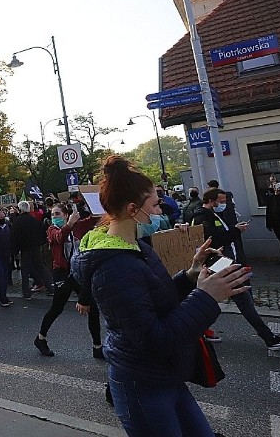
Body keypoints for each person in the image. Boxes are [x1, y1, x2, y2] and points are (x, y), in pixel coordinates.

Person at [72, 156, 251, 437]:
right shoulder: (114, 265)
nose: (161, 210)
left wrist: (190, 276)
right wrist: (206, 296)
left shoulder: (134, 247)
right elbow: (154, 338)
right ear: (133, 210)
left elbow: (156, 297)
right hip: (143, 382)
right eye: (155, 204)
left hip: (165, 375)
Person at [192, 188, 280, 351]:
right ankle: (270, 339)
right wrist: (236, 231)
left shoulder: (212, 215)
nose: (223, 204)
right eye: (221, 201)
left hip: (223, 263)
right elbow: (212, 241)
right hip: (218, 264)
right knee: (243, 301)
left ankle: (198, 331)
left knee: (214, 301)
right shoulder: (202, 217)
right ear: (211, 201)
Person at [34, 203, 101, 358]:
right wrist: (69, 224)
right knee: (57, 307)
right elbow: (59, 238)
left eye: (57, 214)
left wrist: (96, 204)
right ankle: (41, 338)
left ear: (66, 214)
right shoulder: (52, 230)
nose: (54, 217)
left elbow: (94, 219)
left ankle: (97, 346)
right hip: (62, 272)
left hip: (78, 272)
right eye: (52, 215)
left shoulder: (77, 226)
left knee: (92, 307)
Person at [12, 200, 52, 299]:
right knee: (41, 268)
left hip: (25, 249)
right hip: (36, 248)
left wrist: (15, 251)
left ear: (20, 209)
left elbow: (15, 237)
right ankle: (50, 288)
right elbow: (42, 233)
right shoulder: (34, 220)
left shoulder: (17, 221)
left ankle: (26, 293)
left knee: (25, 271)